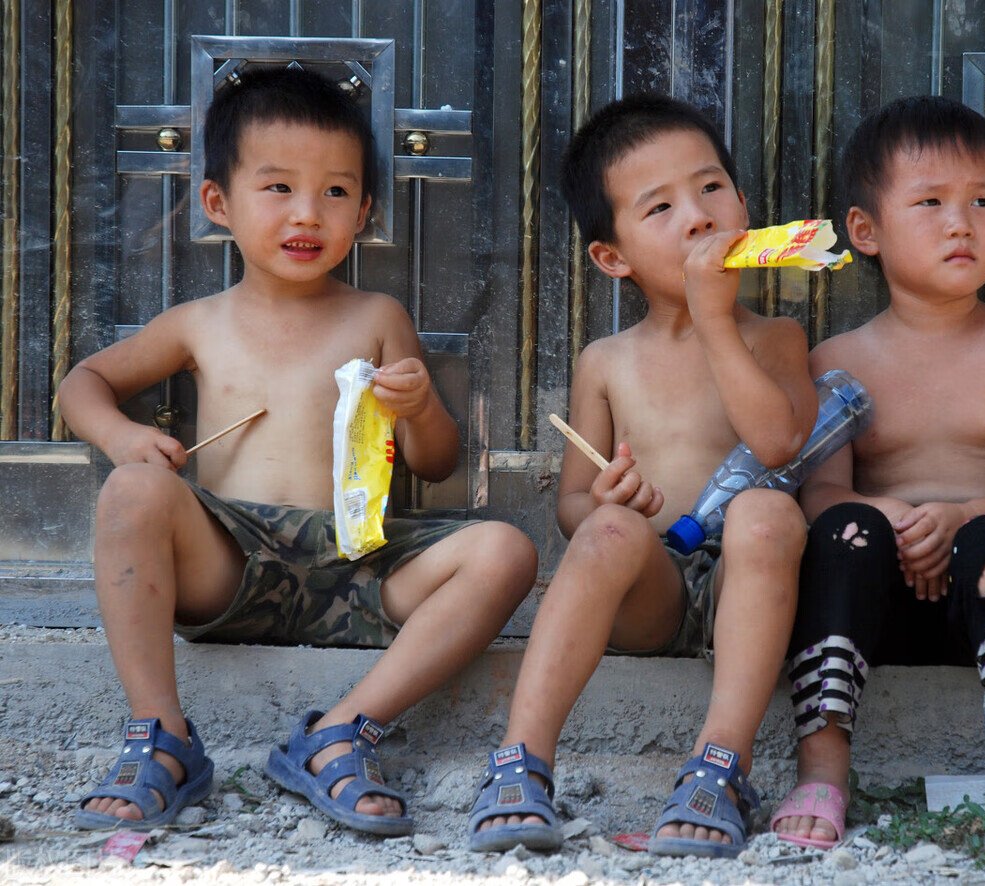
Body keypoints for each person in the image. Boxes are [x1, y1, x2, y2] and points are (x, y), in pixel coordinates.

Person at [58, 66, 537, 836]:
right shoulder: (198, 323)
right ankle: (162, 735)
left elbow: (440, 462)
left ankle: (340, 731)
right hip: (233, 561)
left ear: (365, 210)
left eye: (336, 192)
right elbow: (83, 383)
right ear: (218, 203)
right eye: (277, 188)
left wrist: (416, 410)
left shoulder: (377, 314)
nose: (307, 213)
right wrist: (125, 438)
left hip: (360, 563)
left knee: (507, 551)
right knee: (131, 494)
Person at [466, 94, 816, 859]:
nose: (697, 217)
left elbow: (780, 441)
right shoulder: (607, 362)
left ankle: (721, 764)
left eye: (712, 187)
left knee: (766, 513)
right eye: (660, 208)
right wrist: (607, 497)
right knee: (607, 528)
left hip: (748, 586)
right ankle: (520, 761)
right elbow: (569, 504)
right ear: (612, 256)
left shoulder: (778, 337)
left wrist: (716, 318)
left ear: (745, 205)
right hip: (649, 589)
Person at [769, 95, 985, 856]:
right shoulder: (839, 359)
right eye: (931, 203)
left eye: (984, 201)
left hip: (983, 603)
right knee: (839, 532)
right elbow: (820, 493)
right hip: (873, 603)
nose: (963, 223)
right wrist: (885, 512)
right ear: (866, 232)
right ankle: (822, 768)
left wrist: (965, 515)